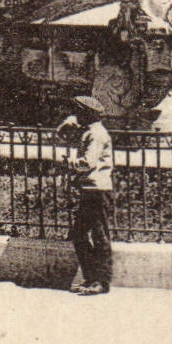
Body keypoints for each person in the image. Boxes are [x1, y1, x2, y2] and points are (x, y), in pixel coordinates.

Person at [58, 95, 114, 295]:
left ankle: (101, 282)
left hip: (97, 190)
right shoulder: (88, 131)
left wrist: (69, 162)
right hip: (89, 189)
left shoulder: (96, 134)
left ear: (87, 113)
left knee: (99, 236)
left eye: (78, 111)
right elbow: (62, 136)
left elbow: (87, 163)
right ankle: (91, 278)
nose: (75, 115)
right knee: (80, 235)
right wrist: (66, 125)